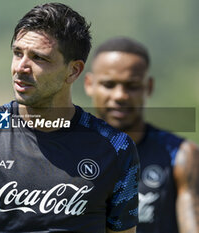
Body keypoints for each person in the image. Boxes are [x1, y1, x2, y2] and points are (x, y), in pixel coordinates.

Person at [0, 4, 139, 233]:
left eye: (39, 58)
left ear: (74, 71)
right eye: (18, 53)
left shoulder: (115, 148)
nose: (21, 67)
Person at [84, 37, 199, 233]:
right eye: (109, 84)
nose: (120, 96)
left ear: (149, 87)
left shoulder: (181, 155)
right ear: (89, 84)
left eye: (132, 86)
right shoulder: (65, 150)